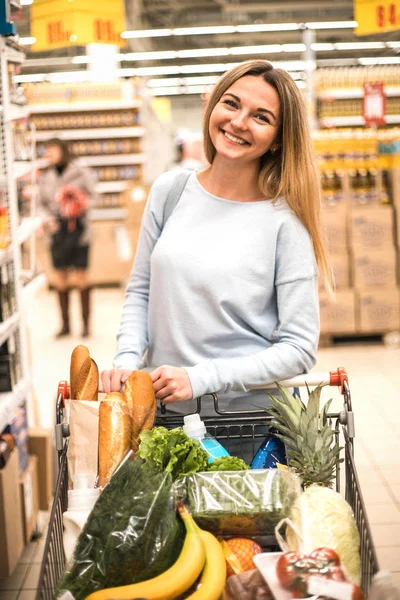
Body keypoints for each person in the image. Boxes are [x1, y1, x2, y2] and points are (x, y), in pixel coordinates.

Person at [100, 59, 331, 419]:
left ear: (278, 141)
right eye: (232, 103)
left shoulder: (284, 224)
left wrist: (203, 378)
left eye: (261, 117)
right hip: (162, 413)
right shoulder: (170, 191)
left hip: (245, 424)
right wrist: (128, 360)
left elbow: (299, 349)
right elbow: (141, 291)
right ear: (214, 104)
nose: (238, 122)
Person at [38, 138, 97, 338]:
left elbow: (95, 196)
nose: (50, 155)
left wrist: (80, 202)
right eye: (47, 152)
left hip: (79, 228)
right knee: (60, 277)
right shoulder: (45, 176)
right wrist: (47, 219)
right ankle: (65, 325)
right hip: (57, 231)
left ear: (62, 151)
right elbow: (40, 203)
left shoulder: (80, 170)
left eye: (52, 151)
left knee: (81, 275)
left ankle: (86, 325)